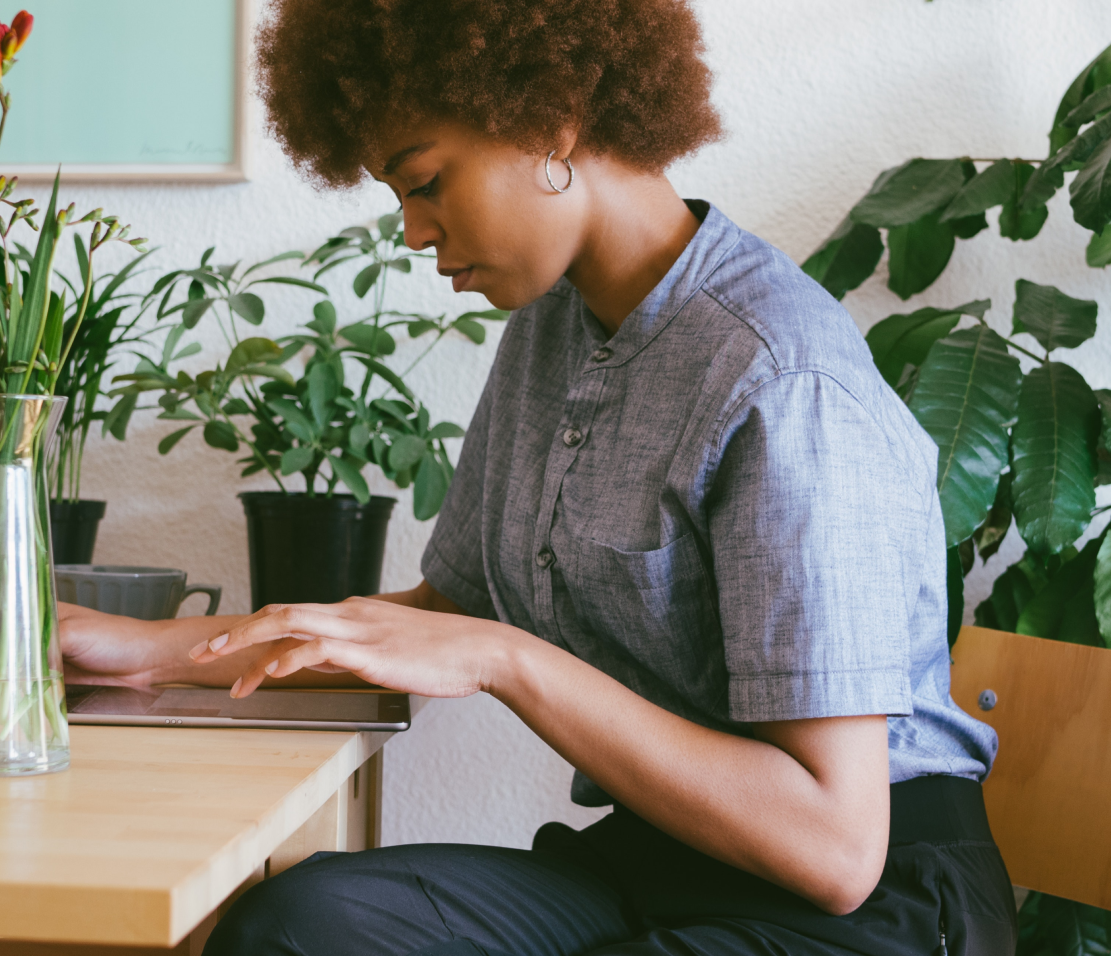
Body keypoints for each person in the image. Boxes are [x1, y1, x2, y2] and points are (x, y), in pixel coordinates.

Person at [54, 0, 1016, 953]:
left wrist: (506, 658)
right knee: (301, 928)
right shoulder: (550, 331)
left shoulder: (781, 376)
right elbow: (434, 617)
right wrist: (150, 656)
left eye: (425, 182)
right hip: (663, 867)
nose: (413, 232)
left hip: (868, 910)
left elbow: (834, 850)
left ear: (548, 120)